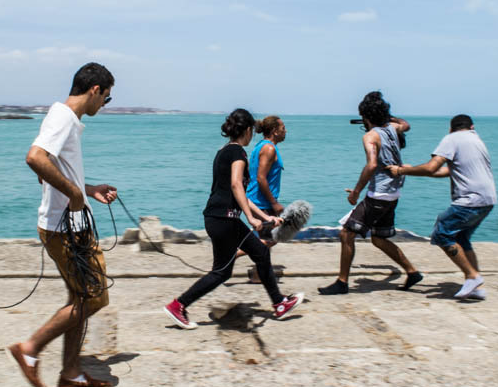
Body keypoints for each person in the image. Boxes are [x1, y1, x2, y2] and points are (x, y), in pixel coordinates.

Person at [8, 62, 119, 387]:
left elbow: (48, 170)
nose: (104, 105)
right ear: (95, 90)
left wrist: (88, 189)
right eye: (106, 98)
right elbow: (35, 158)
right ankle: (30, 348)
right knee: (94, 297)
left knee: (80, 298)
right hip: (64, 229)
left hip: (66, 225)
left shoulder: (66, 119)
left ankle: (71, 372)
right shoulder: (63, 117)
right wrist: (74, 194)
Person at [163, 109, 304, 329]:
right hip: (224, 219)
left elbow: (242, 195)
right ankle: (178, 305)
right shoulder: (237, 152)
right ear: (247, 130)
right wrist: (251, 218)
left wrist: (264, 216)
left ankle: (279, 303)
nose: (252, 136)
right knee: (222, 271)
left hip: (222, 218)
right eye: (251, 132)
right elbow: (236, 185)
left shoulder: (224, 151)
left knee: (259, 253)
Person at [318, 91, 425, 295]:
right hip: (393, 193)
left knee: (346, 234)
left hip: (379, 196)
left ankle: (342, 282)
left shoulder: (370, 136)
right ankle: (412, 272)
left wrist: (356, 192)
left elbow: (372, 165)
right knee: (378, 238)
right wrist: (387, 117)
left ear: (366, 116)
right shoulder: (393, 129)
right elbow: (405, 124)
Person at [388, 114, 496, 300]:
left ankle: (472, 276)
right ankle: (475, 287)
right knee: (461, 238)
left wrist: (401, 170)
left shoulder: (452, 139)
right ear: (471, 127)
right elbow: (449, 171)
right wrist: (411, 170)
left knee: (442, 233)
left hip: (470, 199)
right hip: (488, 199)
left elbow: (431, 167)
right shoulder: (477, 141)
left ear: (450, 129)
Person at [241, 115, 287, 283]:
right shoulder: (268, 149)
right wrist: (274, 203)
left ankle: (258, 275)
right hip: (261, 201)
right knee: (270, 238)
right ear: (274, 131)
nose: (285, 131)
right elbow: (261, 178)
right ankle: (232, 255)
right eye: (283, 128)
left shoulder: (261, 146)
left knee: (265, 237)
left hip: (258, 199)